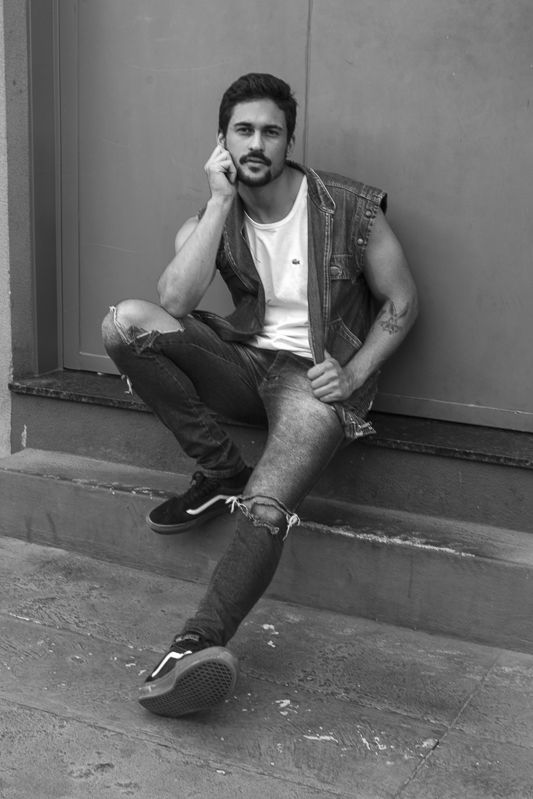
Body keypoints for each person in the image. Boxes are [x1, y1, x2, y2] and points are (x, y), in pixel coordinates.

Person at [102, 73, 418, 718]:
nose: (256, 143)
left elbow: (403, 300)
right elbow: (174, 301)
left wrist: (354, 374)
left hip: (314, 379)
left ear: (288, 141)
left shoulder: (350, 208)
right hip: (245, 363)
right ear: (222, 141)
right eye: (242, 131)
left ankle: (194, 646)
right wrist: (219, 201)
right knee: (124, 323)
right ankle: (221, 469)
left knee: (267, 506)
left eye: (270, 131)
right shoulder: (214, 216)